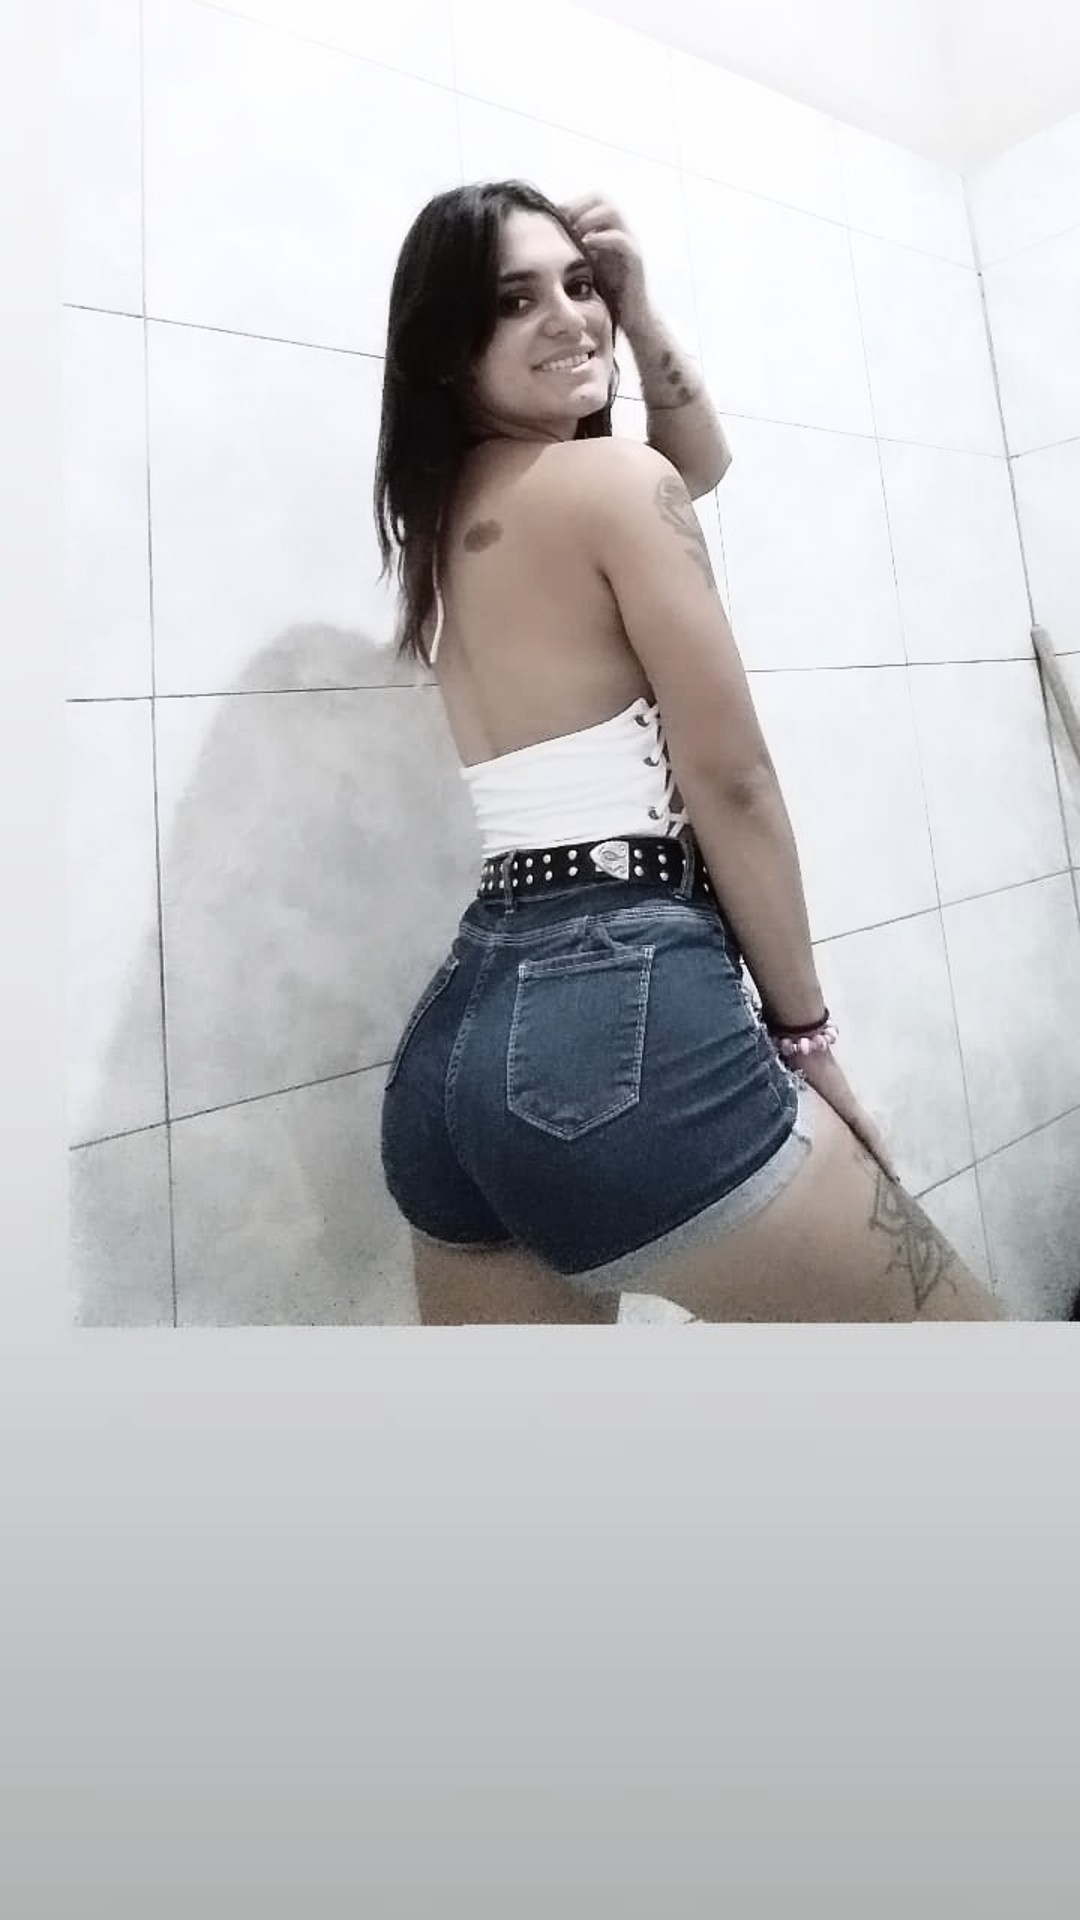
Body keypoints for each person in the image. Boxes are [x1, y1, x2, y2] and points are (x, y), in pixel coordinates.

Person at [374, 179, 1004, 1325]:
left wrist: (638, 310)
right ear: (450, 349)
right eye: (515, 300)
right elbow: (733, 782)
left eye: (580, 285)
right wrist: (808, 1040)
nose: (570, 317)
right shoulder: (612, 483)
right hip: (618, 1016)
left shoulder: (447, 516)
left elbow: (695, 467)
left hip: (451, 1061)